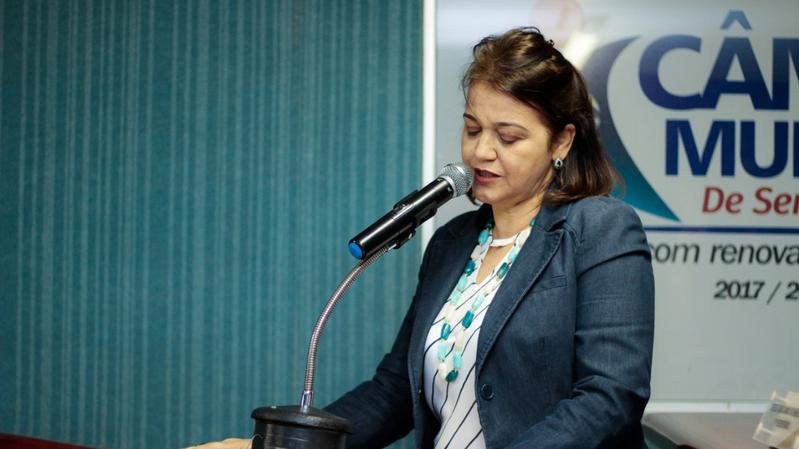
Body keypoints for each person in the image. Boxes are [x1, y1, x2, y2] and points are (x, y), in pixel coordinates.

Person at [188, 26, 654, 449]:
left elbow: (609, 396)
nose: (481, 151)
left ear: (562, 141)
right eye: (472, 129)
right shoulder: (452, 242)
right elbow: (393, 391)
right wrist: (277, 448)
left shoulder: (599, 229)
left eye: (508, 137)